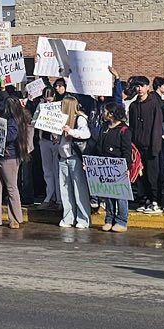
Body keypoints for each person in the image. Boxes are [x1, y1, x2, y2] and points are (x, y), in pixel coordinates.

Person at [127, 76, 164, 213]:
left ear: (147, 87)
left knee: (153, 175)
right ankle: (144, 199)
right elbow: (132, 126)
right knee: (141, 175)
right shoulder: (133, 105)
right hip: (138, 147)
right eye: (137, 86)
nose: (139, 89)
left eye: (142, 86)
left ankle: (156, 201)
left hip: (151, 145)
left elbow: (157, 126)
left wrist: (155, 147)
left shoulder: (154, 104)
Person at [90, 102, 132, 232]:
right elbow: (98, 145)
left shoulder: (124, 129)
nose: (103, 113)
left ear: (112, 114)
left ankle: (121, 221)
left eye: (106, 111)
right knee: (108, 194)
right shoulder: (104, 127)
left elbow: (126, 150)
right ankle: (109, 219)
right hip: (104, 165)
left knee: (120, 195)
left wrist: (127, 168)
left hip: (118, 165)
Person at [0, 98, 29, 229]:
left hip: (9, 156)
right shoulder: (7, 119)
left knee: (11, 188)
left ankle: (15, 218)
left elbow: (10, 136)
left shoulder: (14, 121)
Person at [55, 96, 94, 230]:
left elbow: (86, 134)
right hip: (63, 157)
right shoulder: (60, 119)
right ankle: (68, 217)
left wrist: (70, 131)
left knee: (79, 189)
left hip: (75, 157)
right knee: (65, 189)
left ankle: (83, 218)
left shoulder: (79, 118)